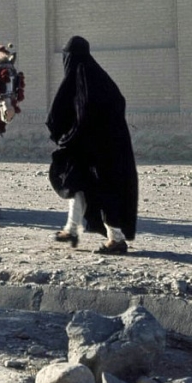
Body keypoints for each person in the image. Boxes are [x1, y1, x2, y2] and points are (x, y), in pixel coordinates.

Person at [46, 35, 138, 254]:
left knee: (104, 192)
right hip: (101, 148)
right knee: (76, 181)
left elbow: (85, 113)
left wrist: (71, 136)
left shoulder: (84, 79)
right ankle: (71, 228)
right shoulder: (98, 77)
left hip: (101, 152)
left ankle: (116, 240)